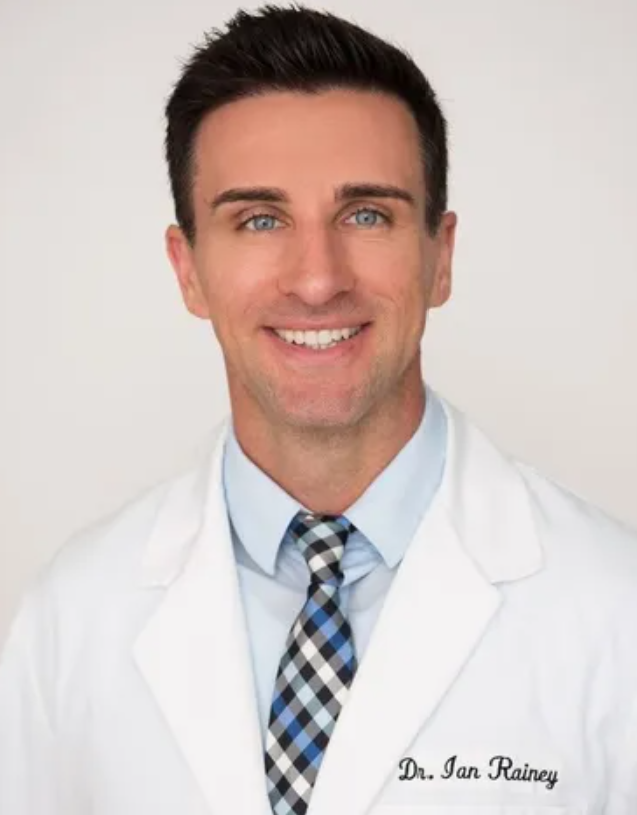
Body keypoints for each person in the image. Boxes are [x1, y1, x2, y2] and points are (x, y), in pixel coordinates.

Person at [1, 4, 636, 814]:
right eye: (259, 219)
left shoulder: (617, 612)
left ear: (440, 257)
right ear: (187, 268)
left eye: (365, 214)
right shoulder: (71, 619)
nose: (314, 279)